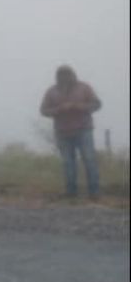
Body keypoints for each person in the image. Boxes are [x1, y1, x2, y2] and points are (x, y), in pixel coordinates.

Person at [39, 65, 102, 199]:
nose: (64, 77)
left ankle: (94, 192)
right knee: (68, 163)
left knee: (89, 160)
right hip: (62, 132)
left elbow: (96, 104)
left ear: (73, 74)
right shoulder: (52, 91)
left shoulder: (84, 87)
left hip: (83, 130)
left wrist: (78, 106)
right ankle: (71, 193)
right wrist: (59, 109)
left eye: (67, 74)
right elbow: (43, 110)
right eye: (61, 74)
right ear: (57, 76)